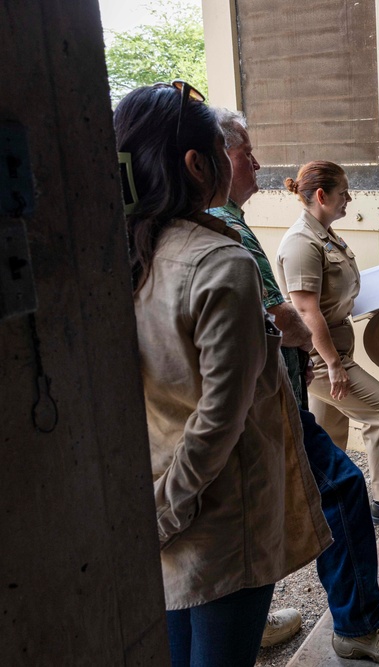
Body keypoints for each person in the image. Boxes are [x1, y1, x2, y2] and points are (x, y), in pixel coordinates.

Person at [114, 82, 331, 667]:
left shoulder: (132, 252)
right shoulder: (219, 262)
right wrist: (171, 509)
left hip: (161, 493)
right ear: (196, 163)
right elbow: (219, 419)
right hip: (216, 513)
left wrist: (156, 508)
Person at [208, 110, 379, 664]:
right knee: (343, 484)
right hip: (284, 384)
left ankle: (252, 618)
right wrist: (322, 358)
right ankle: (359, 620)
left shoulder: (241, 224)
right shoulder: (232, 232)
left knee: (262, 506)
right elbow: (294, 312)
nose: (258, 162)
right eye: (245, 151)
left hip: (285, 385)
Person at [276, 161, 379, 527]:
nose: (350, 197)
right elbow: (305, 309)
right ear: (321, 196)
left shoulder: (325, 234)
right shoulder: (302, 242)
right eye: (344, 191)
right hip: (318, 356)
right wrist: (332, 364)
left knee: (326, 432)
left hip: (333, 349)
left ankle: (316, 506)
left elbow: (332, 295)